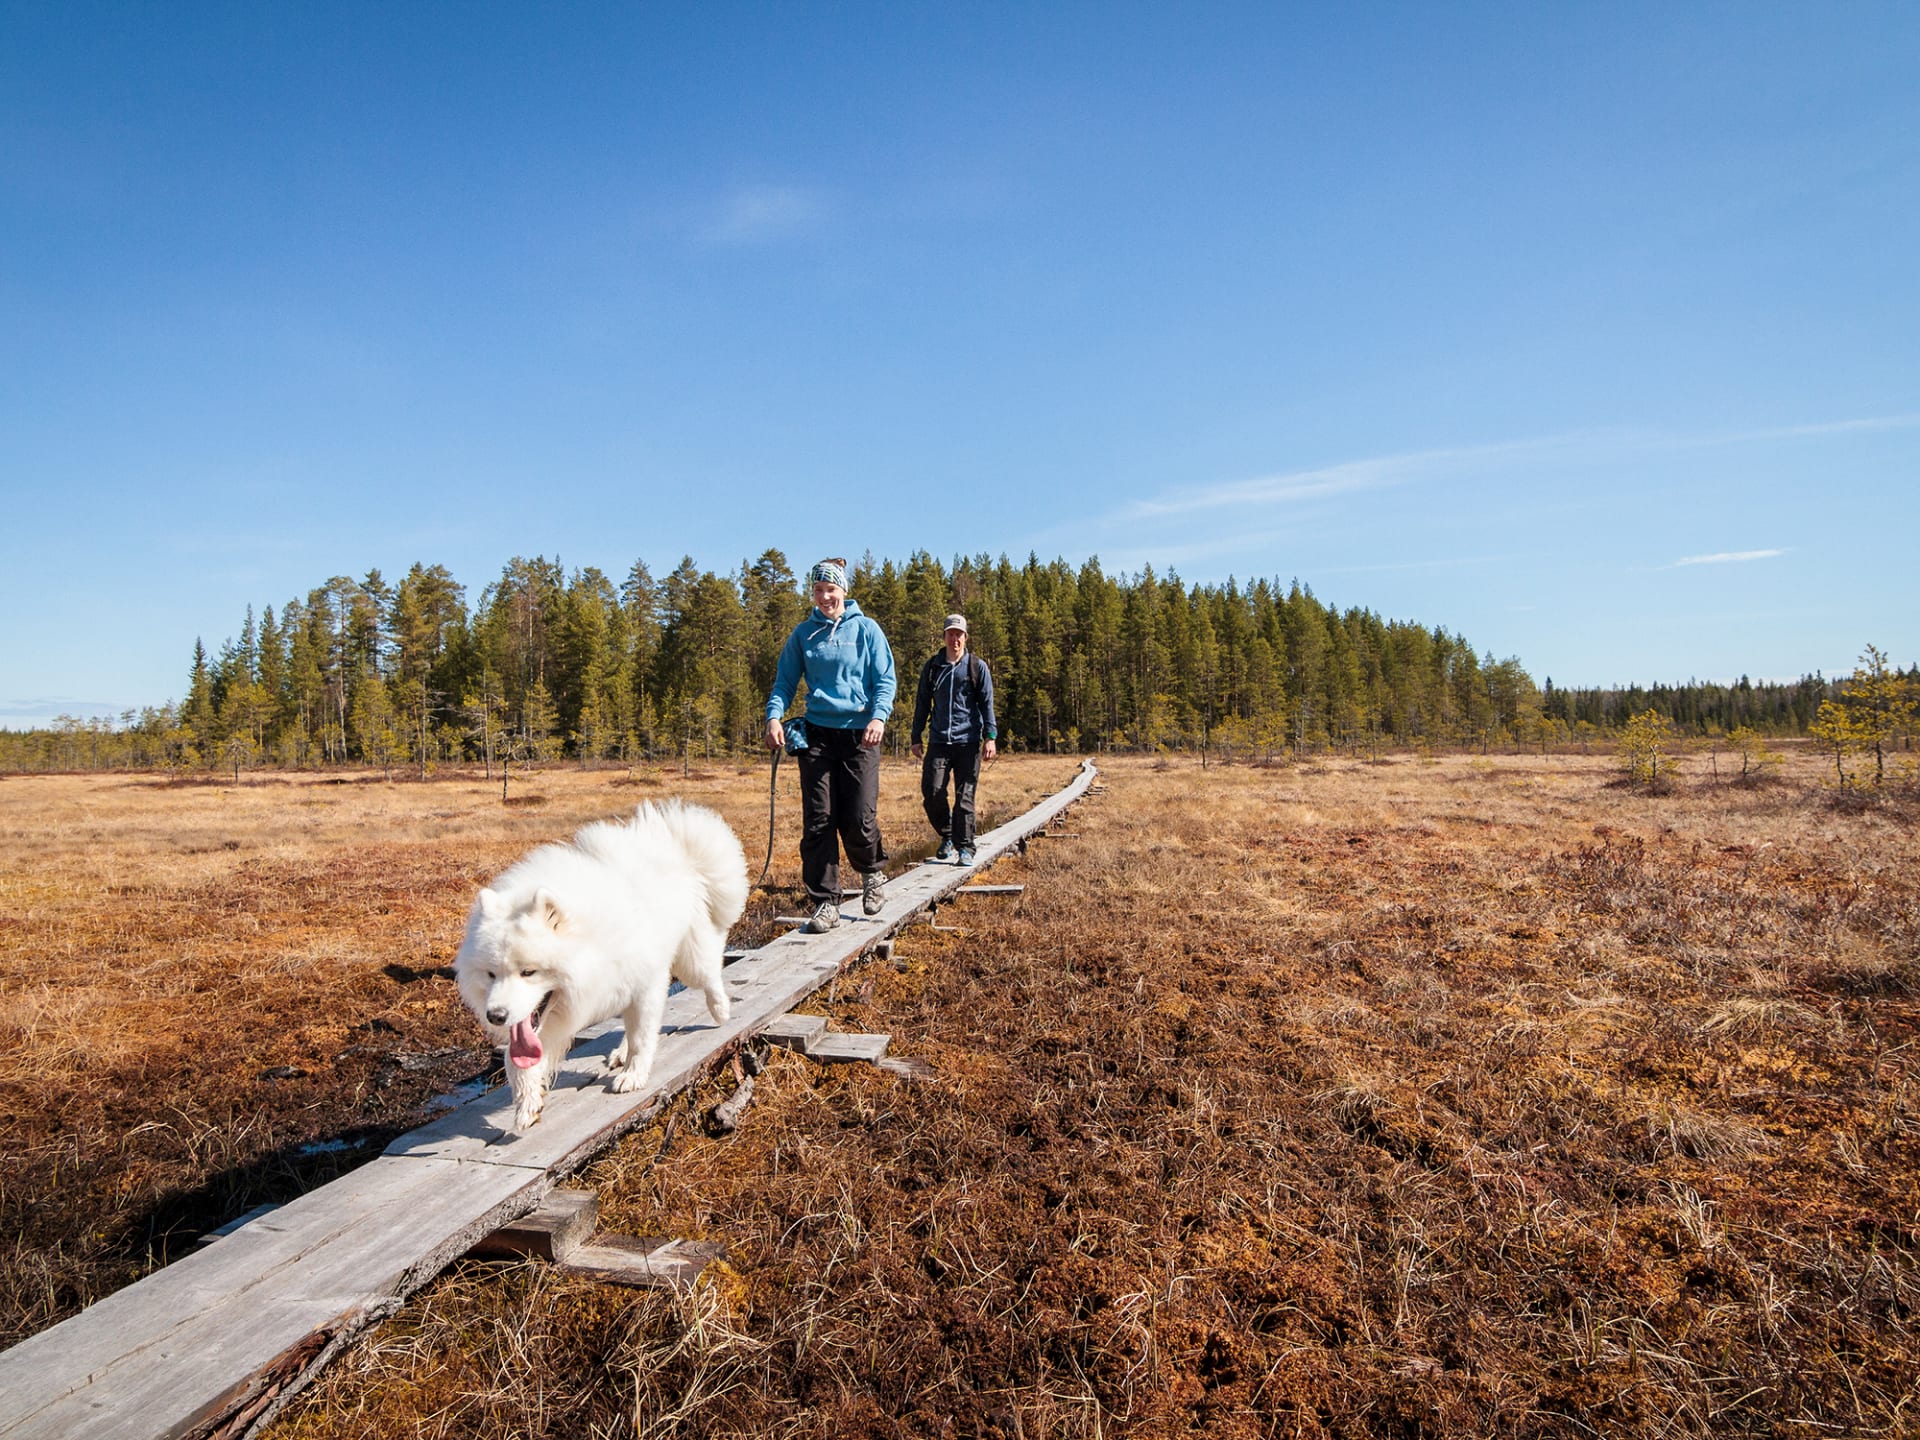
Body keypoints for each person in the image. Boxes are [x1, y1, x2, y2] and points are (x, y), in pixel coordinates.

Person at [763, 559, 898, 933]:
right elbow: (784, 683)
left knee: (857, 817)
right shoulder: (803, 634)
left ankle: (871, 873)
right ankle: (825, 902)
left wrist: (878, 716)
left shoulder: (867, 630)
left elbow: (885, 679)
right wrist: (774, 716)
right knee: (819, 820)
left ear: (844, 591)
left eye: (831, 589)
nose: (825, 597)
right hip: (818, 735)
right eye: (818, 590)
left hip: (860, 734)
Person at [909, 613, 997, 866]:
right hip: (939, 741)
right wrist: (916, 736)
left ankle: (966, 847)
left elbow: (987, 704)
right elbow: (922, 704)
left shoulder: (976, 667)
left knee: (964, 797)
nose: (954, 639)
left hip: (968, 741)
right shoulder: (933, 667)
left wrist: (990, 737)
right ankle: (948, 835)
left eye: (959, 634)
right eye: (951, 633)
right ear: (944, 636)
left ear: (965, 637)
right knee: (932, 792)